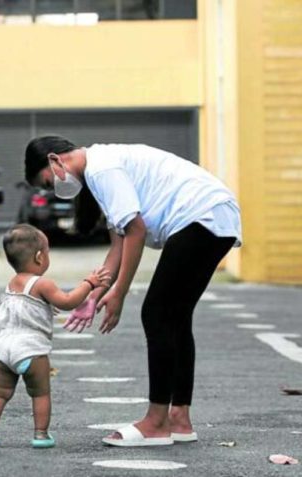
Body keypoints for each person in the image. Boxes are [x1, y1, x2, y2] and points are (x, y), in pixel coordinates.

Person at [25, 136, 242, 447]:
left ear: (54, 160)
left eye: (46, 183)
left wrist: (121, 294)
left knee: (156, 313)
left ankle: (156, 422)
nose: (53, 190)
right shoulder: (100, 171)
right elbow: (119, 245)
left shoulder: (101, 169)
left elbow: (136, 231)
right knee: (176, 316)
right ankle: (179, 419)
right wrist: (96, 295)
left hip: (202, 215)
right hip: (214, 215)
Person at [0, 223, 110, 449]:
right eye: (47, 252)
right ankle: (40, 434)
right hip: (31, 349)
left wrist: (46, 307)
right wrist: (89, 284)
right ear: (39, 257)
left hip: (3, 348)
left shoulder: (13, 282)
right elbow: (68, 302)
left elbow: (25, 307)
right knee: (40, 393)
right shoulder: (43, 283)